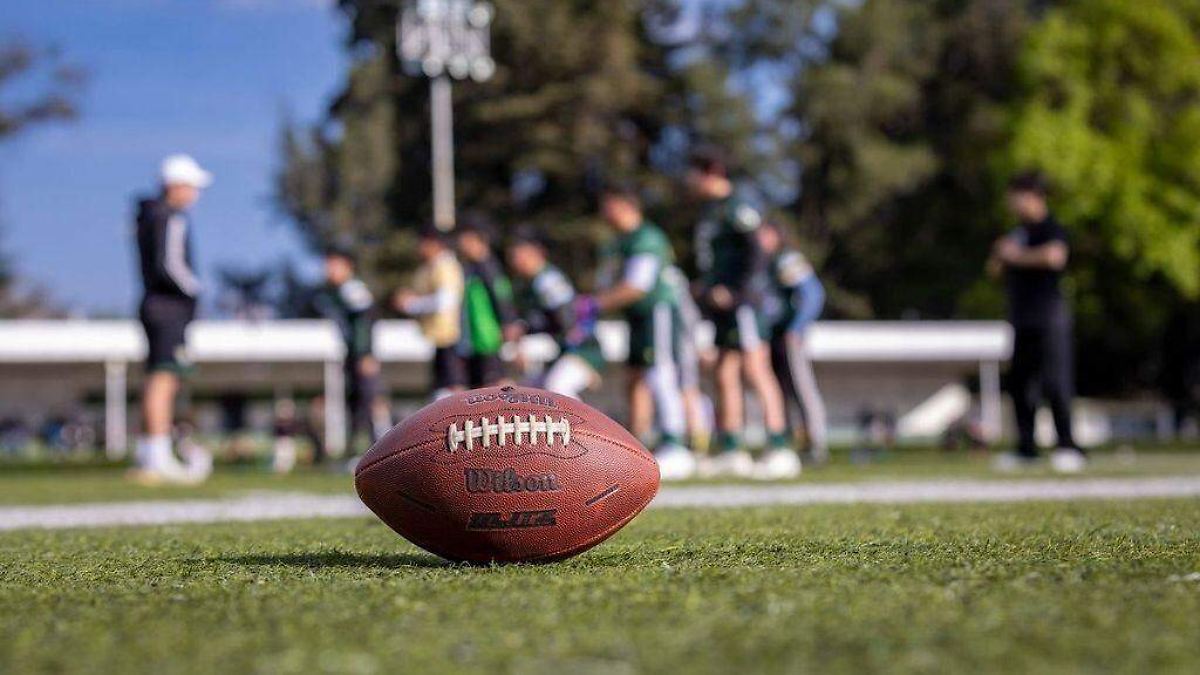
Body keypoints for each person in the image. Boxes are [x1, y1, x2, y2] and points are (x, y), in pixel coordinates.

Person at [686, 146, 798, 479]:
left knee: (756, 368)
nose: (688, 182)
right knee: (724, 373)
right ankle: (733, 449)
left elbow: (757, 251)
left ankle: (780, 447)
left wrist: (737, 292)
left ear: (712, 172)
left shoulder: (738, 206)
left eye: (693, 174)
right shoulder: (711, 211)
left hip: (744, 304)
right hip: (720, 306)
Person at [588, 184, 696, 480]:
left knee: (660, 373)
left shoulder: (647, 238)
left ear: (625, 205)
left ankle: (674, 443)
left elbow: (637, 286)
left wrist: (595, 303)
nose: (603, 213)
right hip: (636, 317)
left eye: (607, 205)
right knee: (634, 377)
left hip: (656, 311)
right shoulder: (620, 242)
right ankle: (637, 447)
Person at [987, 170, 1085, 473]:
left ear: (1032, 196)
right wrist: (1001, 258)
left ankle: (1067, 446)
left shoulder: (1050, 227)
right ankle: (1026, 449)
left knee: (1056, 382)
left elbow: (1055, 257)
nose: (1011, 203)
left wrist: (1016, 256)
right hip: (1022, 317)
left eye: (1015, 196)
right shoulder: (1016, 232)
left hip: (1050, 316)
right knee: (1021, 384)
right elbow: (994, 269)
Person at [131, 154, 214, 485]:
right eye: (192, 186)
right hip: (169, 307)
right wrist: (195, 291)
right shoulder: (171, 217)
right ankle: (159, 457)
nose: (195, 194)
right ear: (175, 186)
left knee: (157, 378)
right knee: (165, 379)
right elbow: (171, 264)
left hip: (153, 303)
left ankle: (150, 452)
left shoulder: (147, 215)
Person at [309, 244, 389, 461]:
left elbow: (366, 321)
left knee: (366, 403)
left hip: (361, 355)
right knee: (354, 403)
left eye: (333, 265)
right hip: (351, 355)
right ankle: (359, 453)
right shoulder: (333, 293)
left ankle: (376, 454)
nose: (329, 270)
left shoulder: (353, 290)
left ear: (347, 266)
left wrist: (366, 353)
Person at [505, 227, 605, 398]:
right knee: (529, 392)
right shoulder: (524, 284)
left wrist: (523, 335)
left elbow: (568, 323)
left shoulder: (548, 280)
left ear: (536, 252)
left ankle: (581, 425)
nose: (515, 259)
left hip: (580, 349)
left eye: (519, 252)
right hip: (557, 350)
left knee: (557, 387)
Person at [758, 222, 828, 464]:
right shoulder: (763, 262)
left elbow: (813, 294)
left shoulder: (786, 259)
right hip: (770, 335)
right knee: (779, 390)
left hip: (789, 336)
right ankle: (786, 443)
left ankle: (815, 443)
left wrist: (796, 327)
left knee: (801, 388)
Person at [395, 225, 466, 400]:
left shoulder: (445, 265)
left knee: (451, 390)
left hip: (450, 336)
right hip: (439, 337)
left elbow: (446, 301)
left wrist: (412, 304)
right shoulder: (430, 267)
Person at [456, 212, 519, 388]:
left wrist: (508, 322)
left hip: (488, 339)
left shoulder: (489, 267)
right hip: (473, 341)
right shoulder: (469, 268)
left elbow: (502, 297)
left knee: (497, 388)